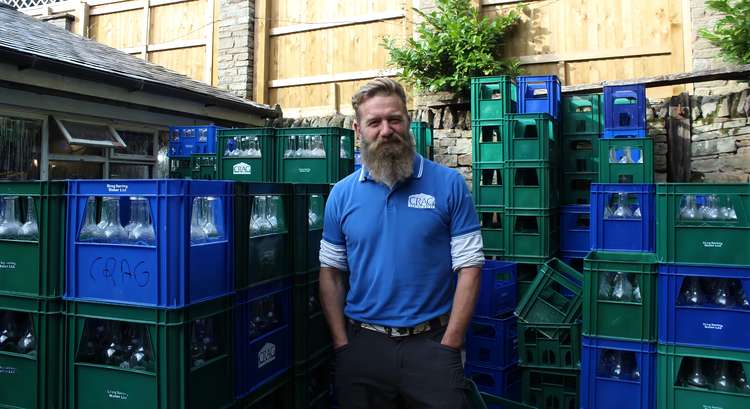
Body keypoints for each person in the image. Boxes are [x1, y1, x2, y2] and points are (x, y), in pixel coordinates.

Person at [319, 77, 484, 409]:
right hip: (363, 348)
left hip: (433, 346)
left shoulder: (448, 184)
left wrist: (450, 343)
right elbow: (331, 273)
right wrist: (342, 343)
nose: (386, 130)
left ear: (408, 121)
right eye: (374, 122)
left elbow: (470, 267)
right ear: (357, 128)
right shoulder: (341, 195)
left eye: (394, 119)